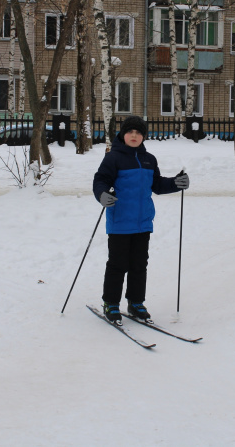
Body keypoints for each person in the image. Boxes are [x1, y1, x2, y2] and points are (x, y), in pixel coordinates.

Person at [92, 116, 190, 324]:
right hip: (119, 222)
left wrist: (176, 183)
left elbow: (157, 185)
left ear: (144, 136)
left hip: (143, 222)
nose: (134, 136)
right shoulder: (114, 158)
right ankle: (111, 303)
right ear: (123, 135)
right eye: (130, 132)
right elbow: (101, 180)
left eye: (138, 133)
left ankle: (136, 302)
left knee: (139, 264)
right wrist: (102, 195)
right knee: (117, 264)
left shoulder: (149, 159)